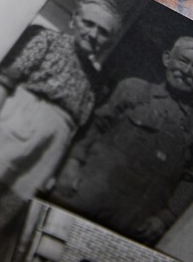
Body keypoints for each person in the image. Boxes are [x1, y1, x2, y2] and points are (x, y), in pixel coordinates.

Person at [0, 0, 121, 254]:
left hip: (48, 149)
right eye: (89, 24)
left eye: (103, 32)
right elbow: (6, 77)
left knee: (12, 205)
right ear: (73, 20)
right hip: (15, 121)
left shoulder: (96, 78)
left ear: (108, 42)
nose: (93, 34)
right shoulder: (47, 40)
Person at [52, 35, 193, 245]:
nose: (188, 71)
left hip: (133, 219)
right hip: (87, 194)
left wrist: (165, 218)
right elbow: (93, 128)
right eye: (184, 60)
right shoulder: (133, 89)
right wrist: (72, 164)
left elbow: (190, 180)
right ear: (167, 58)